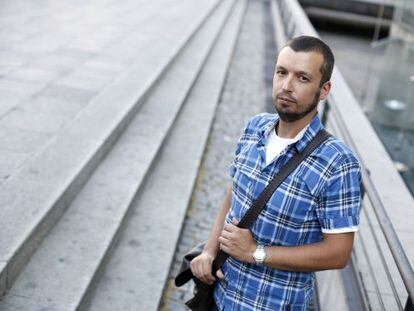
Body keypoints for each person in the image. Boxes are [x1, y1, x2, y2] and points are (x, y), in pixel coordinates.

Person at [190, 36, 362, 310]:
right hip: (220, 296)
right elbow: (235, 192)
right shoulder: (254, 127)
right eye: (282, 72)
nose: (286, 86)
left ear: (324, 89)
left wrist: (255, 253)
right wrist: (210, 250)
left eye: (302, 78)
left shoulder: (338, 162)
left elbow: (338, 253)